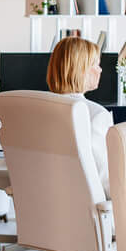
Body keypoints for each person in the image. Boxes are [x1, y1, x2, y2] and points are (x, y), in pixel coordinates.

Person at [46, 34, 113, 191]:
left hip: (44, 206)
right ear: (81, 70)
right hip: (85, 210)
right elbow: (104, 181)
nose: (100, 69)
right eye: (95, 64)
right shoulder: (96, 115)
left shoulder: (36, 109)